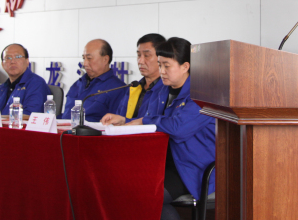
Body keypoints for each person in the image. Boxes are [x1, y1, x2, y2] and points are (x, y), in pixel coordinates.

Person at [103, 37, 215, 220]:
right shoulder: (163, 91)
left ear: (185, 66)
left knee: (144, 196)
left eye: (167, 66)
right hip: (162, 163)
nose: (161, 71)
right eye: (160, 64)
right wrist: (125, 120)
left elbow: (177, 128)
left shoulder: (202, 94)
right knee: (123, 188)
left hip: (192, 167)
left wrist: (142, 121)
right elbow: (152, 121)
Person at [61, 39, 125, 122]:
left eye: (89, 58)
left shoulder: (118, 88)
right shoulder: (78, 83)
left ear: (105, 59)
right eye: (84, 58)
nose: (85, 64)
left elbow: (116, 123)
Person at [0, 43, 50, 115]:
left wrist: (0, 118)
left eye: (18, 57)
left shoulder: (36, 84)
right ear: (2, 64)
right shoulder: (0, 89)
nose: (13, 61)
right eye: (8, 58)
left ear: (27, 61)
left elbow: (30, 115)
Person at [116, 33, 166, 119]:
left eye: (147, 56)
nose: (140, 61)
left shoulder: (167, 90)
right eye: (139, 55)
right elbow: (119, 117)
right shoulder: (134, 88)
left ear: (161, 58)